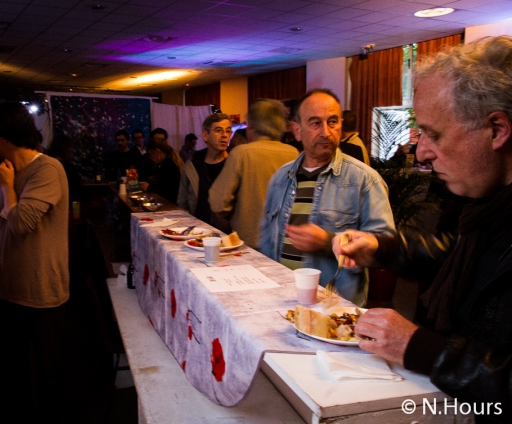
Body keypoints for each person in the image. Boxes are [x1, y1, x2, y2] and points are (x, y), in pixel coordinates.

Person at [333, 36, 512, 422]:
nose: (422, 152)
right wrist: (381, 248)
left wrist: (425, 350)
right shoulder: (488, 209)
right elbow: (458, 254)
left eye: (435, 134)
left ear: (497, 130)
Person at [0, 101, 70, 423]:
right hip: (5, 289)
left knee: (49, 376)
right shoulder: (5, 172)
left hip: (41, 292)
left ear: (5, 135)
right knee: (10, 372)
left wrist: (7, 187)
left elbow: (20, 223)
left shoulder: (47, 169)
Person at [258, 90, 395, 306]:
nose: (326, 132)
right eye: (315, 123)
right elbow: (266, 240)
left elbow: (385, 247)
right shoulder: (280, 179)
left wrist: (328, 241)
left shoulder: (364, 180)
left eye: (332, 122)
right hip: (280, 301)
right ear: (297, 130)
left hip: (333, 309)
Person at [209, 99, 299, 249]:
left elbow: (218, 203)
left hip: (249, 242)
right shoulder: (293, 154)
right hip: (284, 242)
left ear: (252, 126)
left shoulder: (241, 153)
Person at [177, 114, 231, 232]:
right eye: (218, 130)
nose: (224, 136)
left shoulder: (235, 164)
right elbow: (182, 203)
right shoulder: (192, 165)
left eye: (228, 131)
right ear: (205, 135)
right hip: (197, 233)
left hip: (229, 236)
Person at [141, 138, 182, 203]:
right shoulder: (166, 164)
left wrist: (149, 187)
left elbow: (164, 190)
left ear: (157, 151)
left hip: (169, 205)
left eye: (151, 153)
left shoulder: (167, 166)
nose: (150, 157)